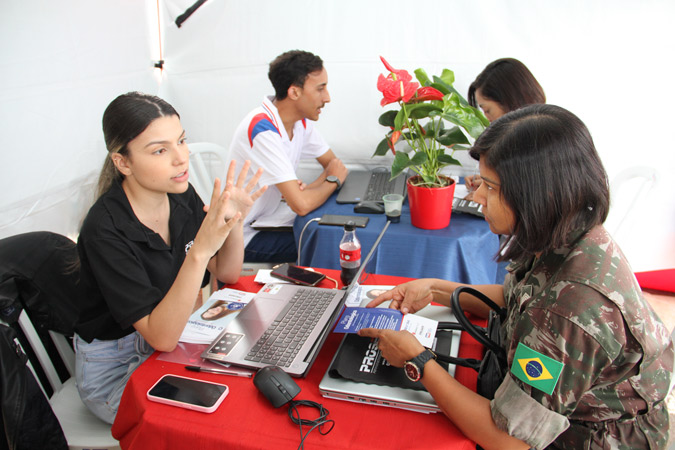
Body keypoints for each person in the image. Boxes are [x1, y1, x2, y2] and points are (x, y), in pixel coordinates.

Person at [359, 104, 673, 449]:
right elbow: (516, 297)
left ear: (536, 193)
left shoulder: (570, 309)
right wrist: (433, 289)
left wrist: (417, 359)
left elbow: (508, 441)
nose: (476, 197)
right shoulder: (564, 231)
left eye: (490, 188)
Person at [73, 92, 266, 424]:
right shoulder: (104, 229)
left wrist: (235, 220)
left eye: (181, 141)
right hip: (117, 370)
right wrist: (201, 251)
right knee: (216, 421)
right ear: (123, 162)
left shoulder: (178, 192)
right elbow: (161, 336)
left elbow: (228, 272)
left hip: (171, 340)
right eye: (160, 150)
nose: (181, 158)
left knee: (248, 392)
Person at [229, 50, 348, 263]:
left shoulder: (300, 122)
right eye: (320, 89)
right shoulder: (262, 131)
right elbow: (302, 203)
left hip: (271, 217)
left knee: (336, 230)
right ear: (294, 92)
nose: (327, 97)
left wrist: (311, 188)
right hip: (244, 237)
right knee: (329, 241)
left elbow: (333, 164)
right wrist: (331, 181)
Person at [465, 58, 545, 195]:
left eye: (487, 110)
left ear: (510, 101)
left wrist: (496, 193)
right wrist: (491, 184)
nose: (486, 118)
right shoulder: (520, 139)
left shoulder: (548, 144)